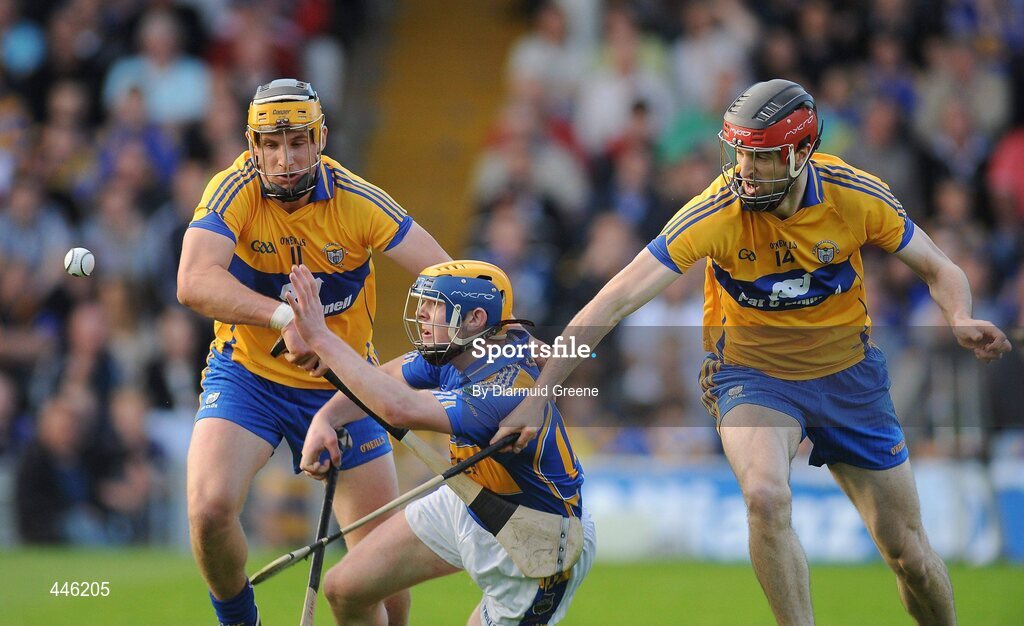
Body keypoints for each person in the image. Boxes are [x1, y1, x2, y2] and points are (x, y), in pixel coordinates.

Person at [492, 79, 1012, 625]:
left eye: (761, 158)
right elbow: (612, 300)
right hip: (751, 375)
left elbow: (940, 268)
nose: (744, 169)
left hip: (850, 376)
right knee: (766, 497)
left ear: (801, 153)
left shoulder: (855, 194)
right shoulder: (715, 210)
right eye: (739, 152)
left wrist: (958, 315)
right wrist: (539, 397)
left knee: (910, 556)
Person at [177, 78, 450, 626]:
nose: (285, 159)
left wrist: (448, 345)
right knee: (209, 510)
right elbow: (192, 281)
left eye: (298, 142)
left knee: (383, 581)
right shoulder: (234, 190)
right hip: (247, 375)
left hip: (344, 385)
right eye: (271, 146)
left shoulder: (356, 200)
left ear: (320, 139)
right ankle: (239, 621)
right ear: (252, 147)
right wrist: (289, 319)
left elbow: (447, 275)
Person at [287, 260, 596, 626]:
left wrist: (321, 339)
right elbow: (387, 378)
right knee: (346, 588)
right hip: (469, 500)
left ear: (476, 319)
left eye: (434, 305)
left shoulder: (503, 390)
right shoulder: (459, 350)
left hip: (533, 543)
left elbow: (397, 407)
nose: (422, 314)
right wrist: (328, 418)